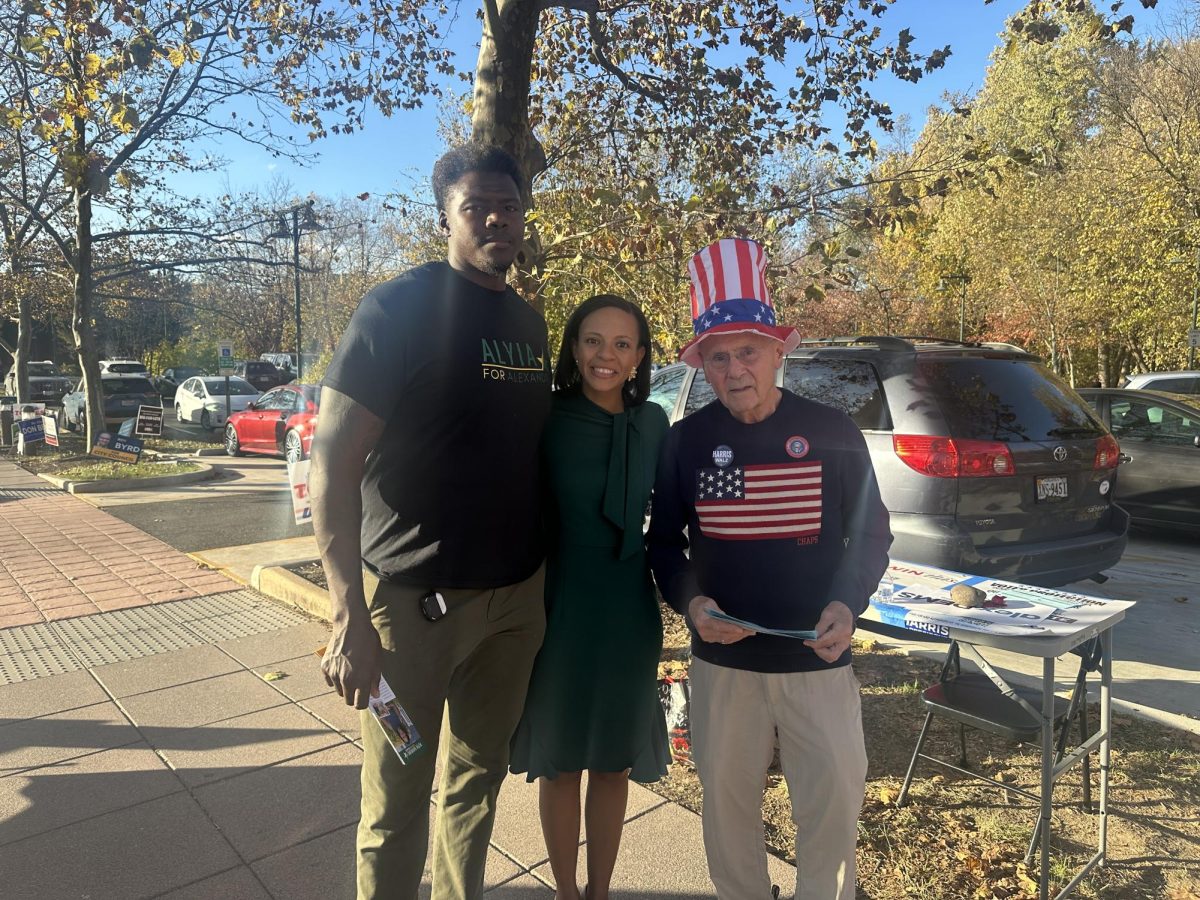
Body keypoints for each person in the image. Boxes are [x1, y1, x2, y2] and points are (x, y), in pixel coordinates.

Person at [310, 144, 552, 900]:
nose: (495, 217)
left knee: (477, 787)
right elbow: (331, 467)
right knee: (397, 797)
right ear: (445, 216)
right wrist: (348, 610)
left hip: (514, 606)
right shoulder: (397, 308)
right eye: (476, 205)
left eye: (508, 205)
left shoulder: (528, 323)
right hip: (411, 611)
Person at [646, 238, 893, 900]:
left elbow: (870, 533)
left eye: (747, 351)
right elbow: (665, 546)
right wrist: (694, 607)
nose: (733, 369)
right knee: (728, 820)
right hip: (724, 668)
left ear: (779, 350)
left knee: (834, 813)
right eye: (718, 357)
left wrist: (848, 604)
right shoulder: (686, 442)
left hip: (818, 660)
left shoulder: (833, 429)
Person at [509, 294, 671, 900]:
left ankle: (599, 892)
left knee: (612, 760)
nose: (606, 355)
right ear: (574, 348)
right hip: (557, 603)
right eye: (593, 340)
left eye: (622, 344)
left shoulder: (654, 423)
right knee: (561, 758)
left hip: (627, 610)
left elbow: (682, 515)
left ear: (639, 357)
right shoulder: (544, 416)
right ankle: (565, 891)